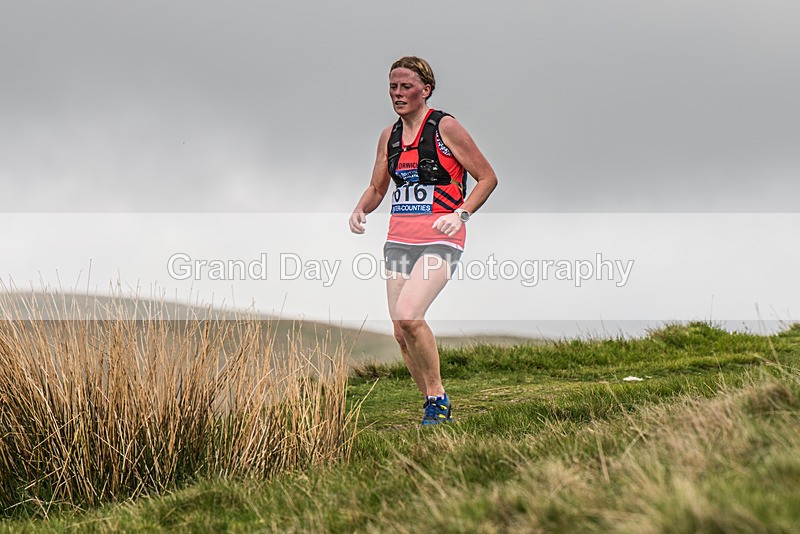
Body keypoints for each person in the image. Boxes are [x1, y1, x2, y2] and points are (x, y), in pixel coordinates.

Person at [349, 56, 497, 426]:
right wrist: (360, 209)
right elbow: (377, 187)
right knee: (400, 331)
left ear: (425, 90)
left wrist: (460, 214)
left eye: (406, 87)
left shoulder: (445, 127)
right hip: (399, 240)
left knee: (410, 315)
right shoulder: (390, 136)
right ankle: (433, 403)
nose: (397, 94)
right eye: (393, 87)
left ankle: (438, 398)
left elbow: (487, 178)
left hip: (441, 239)